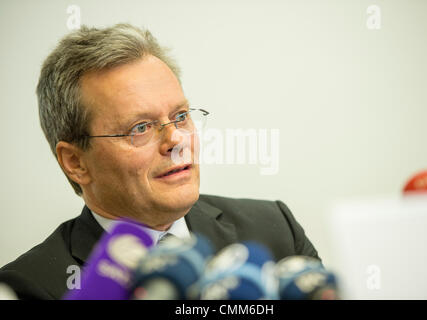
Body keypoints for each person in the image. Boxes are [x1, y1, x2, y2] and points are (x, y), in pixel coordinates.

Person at [0, 23, 320, 300]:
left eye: (180, 117)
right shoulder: (31, 287)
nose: (176, 141)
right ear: (75, 162)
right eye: (140, 128)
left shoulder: (275, 230)